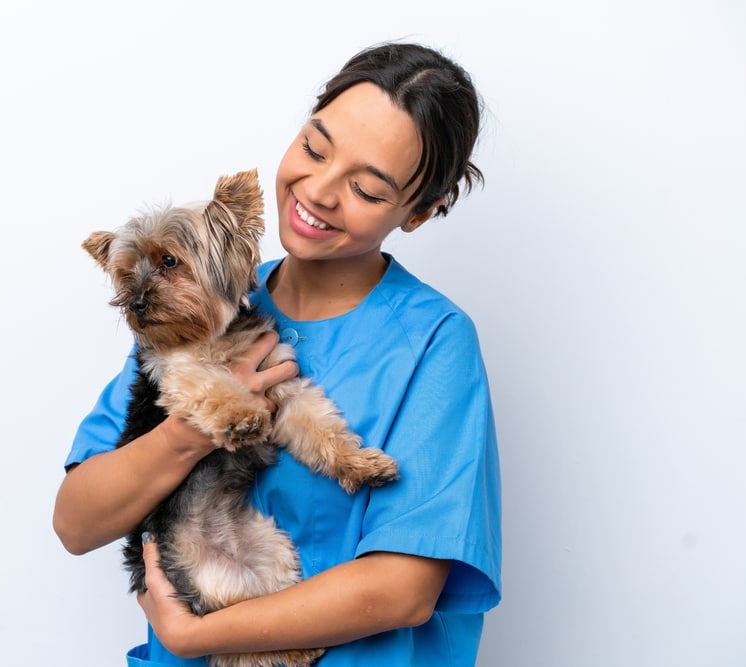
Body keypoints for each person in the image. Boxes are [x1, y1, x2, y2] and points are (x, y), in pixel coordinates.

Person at [53, 41, 502, 667]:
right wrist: (190, 433)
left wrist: (195, 637)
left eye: (368, 189)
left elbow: (402, 592)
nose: (318, 191)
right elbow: (77, 523)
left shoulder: (433, 341)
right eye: (315, 148)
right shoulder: (198, 308)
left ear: (420, 211)